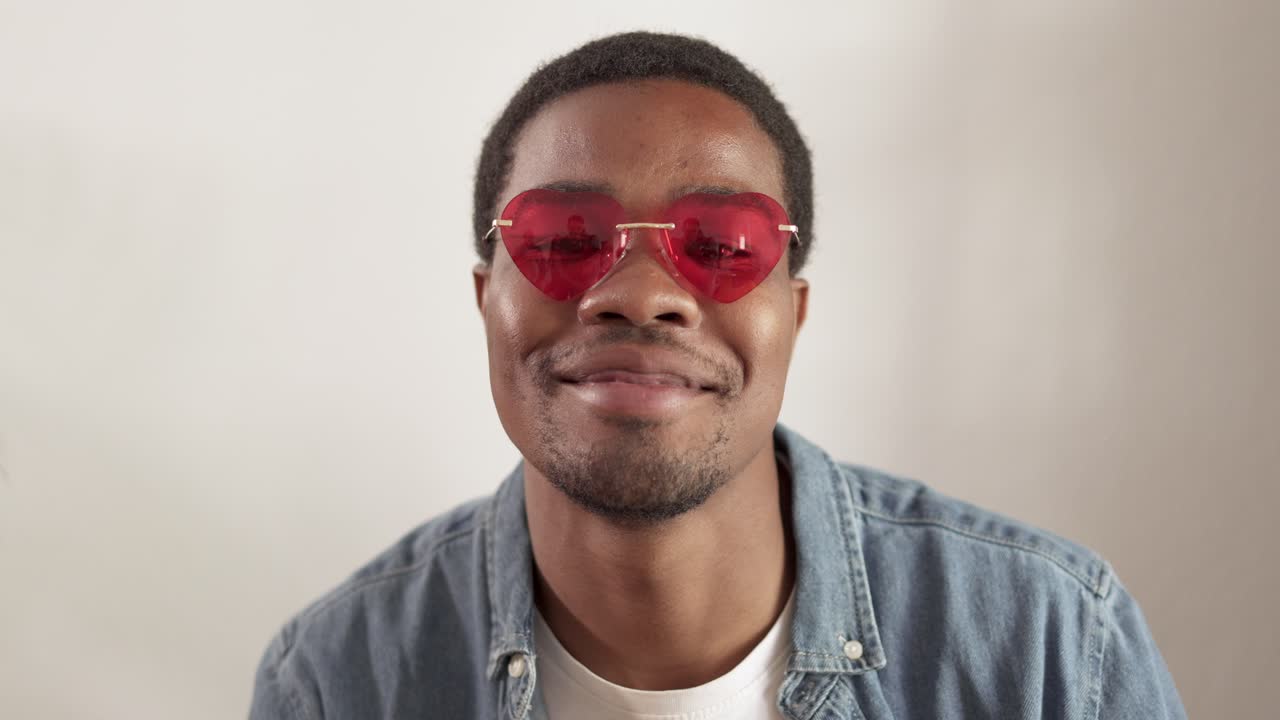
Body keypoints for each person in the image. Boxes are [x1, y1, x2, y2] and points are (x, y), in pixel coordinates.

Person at [249, 32, 1186, 719]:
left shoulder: (1052, 649)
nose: (643, 293)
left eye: (722, 244)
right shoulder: (337, 682)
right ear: (487, 300)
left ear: (795, 312)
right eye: (566, 239)